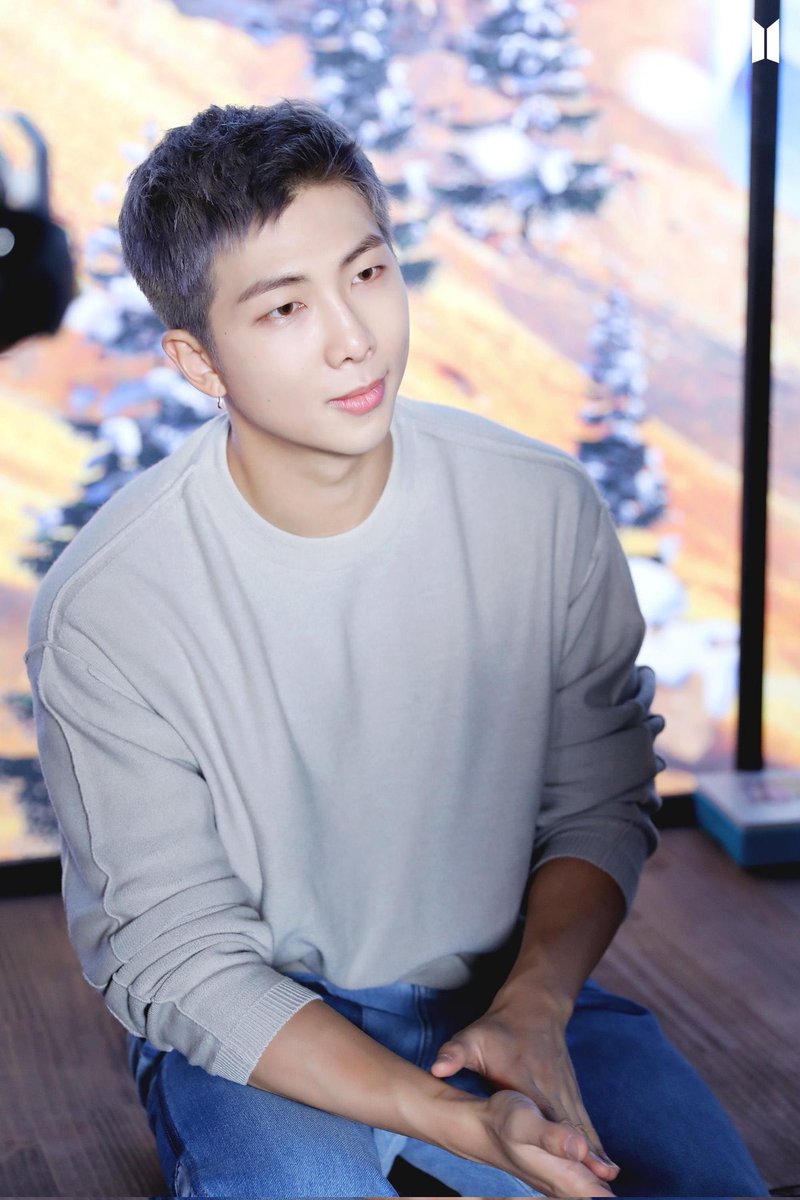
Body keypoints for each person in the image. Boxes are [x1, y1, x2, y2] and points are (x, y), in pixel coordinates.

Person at [24, 100, 768, 1199]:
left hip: (510, 985)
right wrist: (456, 1122)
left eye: (367, 273)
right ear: (197, 359)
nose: (353, 337)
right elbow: (178, 952)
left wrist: (535, 1003)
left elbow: (598, 799)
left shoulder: (541, 507)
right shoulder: (110, 604)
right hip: (265, 1022)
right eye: (285, 307)